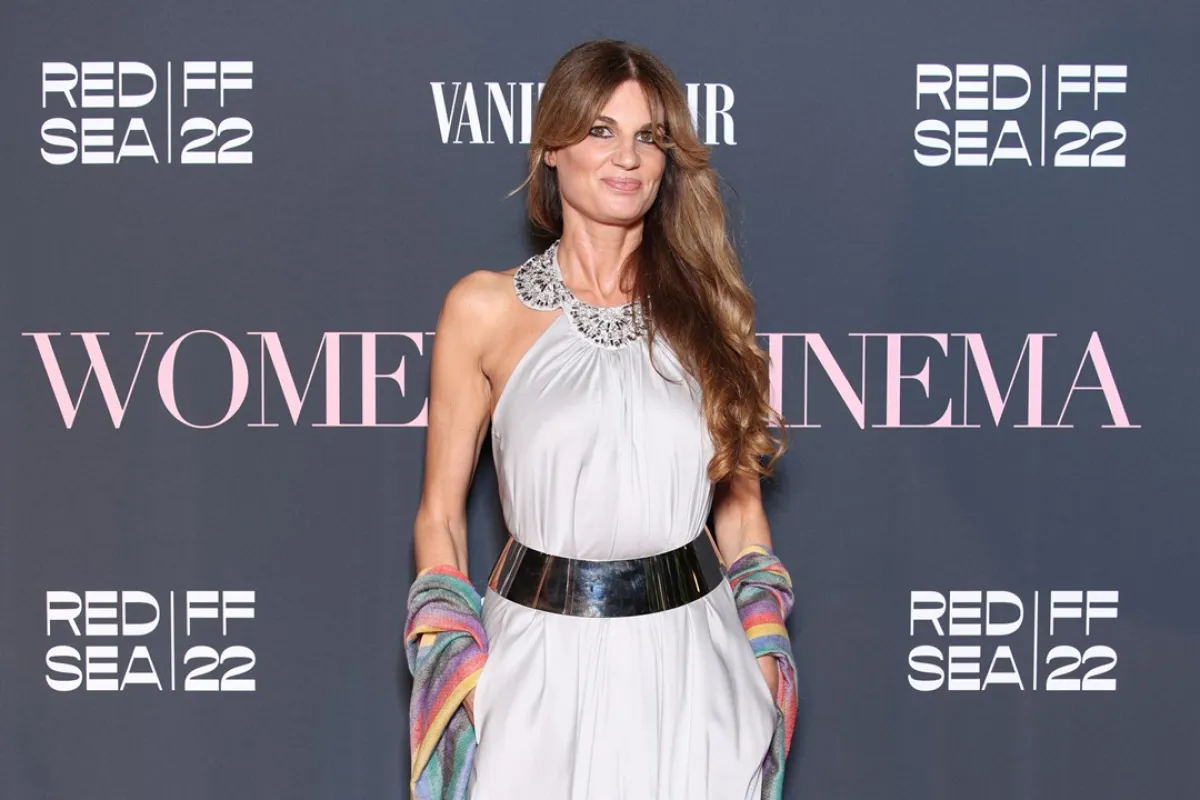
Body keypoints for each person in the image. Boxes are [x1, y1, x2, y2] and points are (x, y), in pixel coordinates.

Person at [405, 39, 797, 800]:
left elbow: (742, 519)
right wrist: (468, 682)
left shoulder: (709, 310)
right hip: (536, 672)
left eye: (648, 136)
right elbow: (440, 519)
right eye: (600, 131)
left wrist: (760, 668)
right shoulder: (483, 309)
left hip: (698, 669)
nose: (628, 158)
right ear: (552, 146)